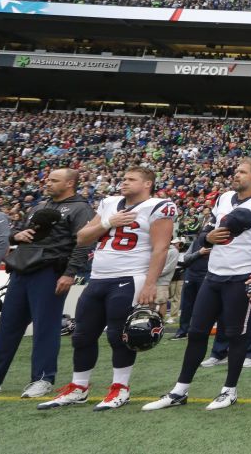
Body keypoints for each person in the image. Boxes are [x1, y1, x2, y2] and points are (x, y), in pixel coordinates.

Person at [143, 158, 251, 411]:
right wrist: (207, 238)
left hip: (243, 275)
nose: (236, 174)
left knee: (236, 335)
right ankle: (180, 390)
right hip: (214, 274)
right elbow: (205, 233)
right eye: (236, 170)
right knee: (197, 332)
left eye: (242, 172)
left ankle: (229, 391)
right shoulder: (224, 198)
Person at [37, 167, 175, 411]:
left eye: (131, 179)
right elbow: (82, 237)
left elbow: (161, 248)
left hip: (130, 276)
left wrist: (151, 283)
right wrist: (109, 222)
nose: (124, 182)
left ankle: (120, 388)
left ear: (147, 184)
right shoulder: (110, 203)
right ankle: (79, 387)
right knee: (82, 335)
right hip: (99, 276)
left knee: (118, 335)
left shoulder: (159, 206)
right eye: (123, 178)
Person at [0, 168, 94, 398]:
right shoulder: (39, 205)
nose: (48, 183)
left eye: (54, 180)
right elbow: (16, 230)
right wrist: (16, 236)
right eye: (48, 179)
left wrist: (69, 273)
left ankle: (43, 378)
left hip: (50, 272)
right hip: (21, 269)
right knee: (8, 326)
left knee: (45, 327)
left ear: (69, 183)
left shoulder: (80, 208)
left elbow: (84, 243)